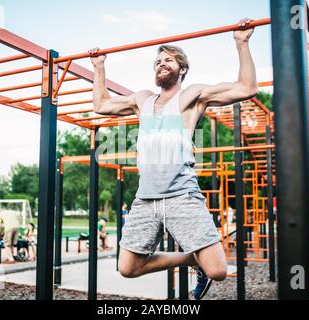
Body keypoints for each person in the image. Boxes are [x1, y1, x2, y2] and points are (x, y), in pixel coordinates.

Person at [89, 18, 257, 300]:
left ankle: (203, 265)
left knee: (218, 270)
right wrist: (99, 67)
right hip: (146, 198)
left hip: (181, 195)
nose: (161, 64)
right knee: (128, 267)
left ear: (182, 69)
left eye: (168, 60)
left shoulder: (191, 96)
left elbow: (246, 88)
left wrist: (241, 42)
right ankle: (192, 261)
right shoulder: (142, 99)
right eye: (158, 61)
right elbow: (101, 104)